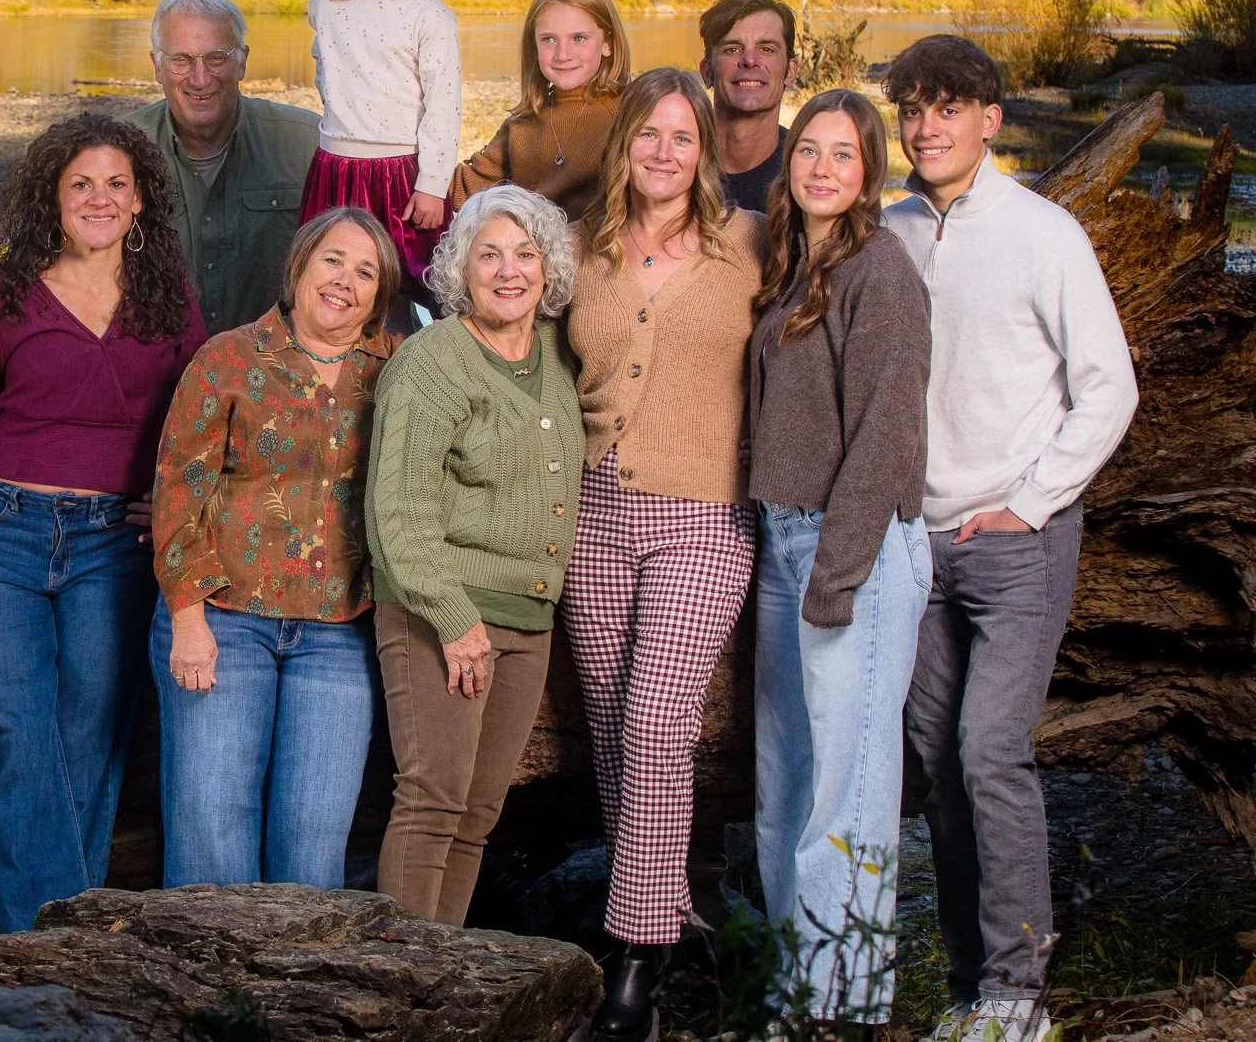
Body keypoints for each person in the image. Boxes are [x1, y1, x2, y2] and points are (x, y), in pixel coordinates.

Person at [881, 36, 1137, 1042]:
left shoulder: (1043, 234)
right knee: (937, 762)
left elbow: (1106, 386)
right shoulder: (888, 232)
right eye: (911, 109)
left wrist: (1030, 503)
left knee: (988, 748)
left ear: (989, 120)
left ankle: (1018, 995)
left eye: (948, 108)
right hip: (917, 547)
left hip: (1013, 542)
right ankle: (966, 988)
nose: (926, 126)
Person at [0, 113, 208, 932]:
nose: (99, 198)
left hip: (116, 542)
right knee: (13, 728)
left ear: (141, 197)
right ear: (53, 194)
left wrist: (175, 502)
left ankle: (53, 936)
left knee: (91, 732)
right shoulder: (3, 293)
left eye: (117, 182)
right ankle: (54, 941)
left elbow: (202, 420)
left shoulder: (169, 299)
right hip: (3, 533)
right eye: (81, 182)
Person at [561, 67, 768, 1042]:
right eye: (647, 133)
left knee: (654, 718)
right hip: (592, 512)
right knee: (607, 727)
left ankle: (635, 965)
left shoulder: (749, 249)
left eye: (680, 137)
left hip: (703, 513)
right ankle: (666, 909)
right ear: (624, 144)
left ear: (706, 150)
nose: (662, 152)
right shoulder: (578, 249)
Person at [748, 90, 932, 1024]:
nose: (821, 168)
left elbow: (888, 434)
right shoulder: (794, 262)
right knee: (782, 788)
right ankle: (794, 985)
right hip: (786, 542)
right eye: (808, 150)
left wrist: (840, 572)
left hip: (850, 549)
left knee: (848, 793)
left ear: (871, 172)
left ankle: (838, 1007)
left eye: (843, 155)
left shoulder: (877, 269)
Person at [150, 206, 401, 889]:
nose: (344, 280)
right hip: (222, 617)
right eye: (332, 260)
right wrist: (188, 618)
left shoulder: (398, 369)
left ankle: (296, 995)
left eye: (365, 271)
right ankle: (211, 995)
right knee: (211, 826)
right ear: (298, 267)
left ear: (380, 295)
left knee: (314, 839)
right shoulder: (228, 357)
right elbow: (179, 488)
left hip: (338, 630)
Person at [364, 184, 586, 926]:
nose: (509, 270)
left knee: (479, 813)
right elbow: (396, 509)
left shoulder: (556, 353)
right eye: (488, 254)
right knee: (433, 801)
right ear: (460, 269)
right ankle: (394, 990)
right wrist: (456, 620)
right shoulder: (432, 363)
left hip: (530, 617)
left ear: (548, 266)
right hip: (443, 611)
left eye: (526, 253)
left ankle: (442, 982)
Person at [301, 0, 462, 302]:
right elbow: (326, 70)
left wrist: (432, 183)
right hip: (334, 165)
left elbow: (443, 107)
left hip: (400, 173)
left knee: (411, 279)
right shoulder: (326, 5)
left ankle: (419, 355)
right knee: (332, 274)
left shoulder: (429, 15)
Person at [127, 0, 321, 335]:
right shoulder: (117, 153)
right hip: (156, 368)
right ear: (157, 66)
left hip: (275, 367)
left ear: (242, 60)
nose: (200, 79)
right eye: (181, 60)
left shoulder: (308, 143)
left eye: (216, 57)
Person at [452, 0, 632, 223]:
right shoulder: (522, 126)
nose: (563, 54)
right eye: (548, 39)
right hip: (536, 255)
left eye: (579, 38)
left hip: (602, 253)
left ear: (608, 43)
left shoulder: (630, 111)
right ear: (534, 44)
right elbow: (465, 188)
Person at [699, 0, 797, 213]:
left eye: (766, 49)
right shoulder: (671, 163)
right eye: (732, 49)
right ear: (707, 71)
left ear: (790, 71)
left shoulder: (808, 173)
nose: (750, 61)